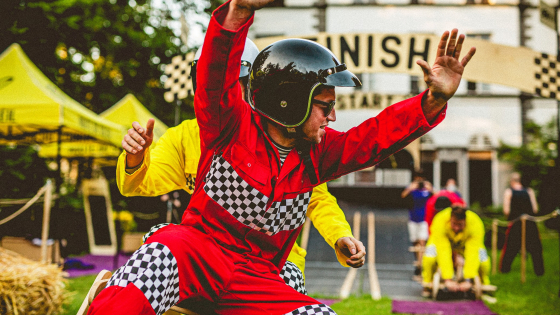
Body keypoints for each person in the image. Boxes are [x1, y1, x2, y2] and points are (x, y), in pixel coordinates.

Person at [88, 0, 475, 313]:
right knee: (155, 257)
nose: (333, 116)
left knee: (318, 313)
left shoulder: (320, 154)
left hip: (259, 279)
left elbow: (374, 137)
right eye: (325, 106)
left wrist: (433, 99)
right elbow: (213, 77)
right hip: (196, 254)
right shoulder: (227, 125)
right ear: (291, 105)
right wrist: (237, 12)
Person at [118, 39, 360, 295]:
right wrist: (135, 158)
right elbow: (141, 183)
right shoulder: (183, 137)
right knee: (156, 250)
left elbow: (319, 200)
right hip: (206, 256)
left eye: (232, 86)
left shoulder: (290, 139)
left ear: (258, 89)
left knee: (288, 282)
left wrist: (339, 235)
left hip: (272, 261)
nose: (221, 93)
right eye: (212, 84)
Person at [421, 205, 491, 297]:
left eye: (460, 225)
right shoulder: (440, 220)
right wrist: (448, 279)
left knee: (484, 261)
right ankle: (427, 285)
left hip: (463, 246)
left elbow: (473, 251)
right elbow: (443, 250)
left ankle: (484, 283)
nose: (456, 228)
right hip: (439, 243)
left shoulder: (475, 223)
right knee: (429, 259)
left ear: (465, 221)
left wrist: (468, 279)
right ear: (450, 219)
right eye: (454, 224)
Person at [499, 172, 544, 276]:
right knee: (535, 248)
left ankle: (505, 270)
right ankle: (539, 271)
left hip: (515, 223)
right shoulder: (529, 191)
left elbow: (506, 211)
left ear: (511, 181)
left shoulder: (509, 192)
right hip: (530, 223)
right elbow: (535, 209)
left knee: (510, 247)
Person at [401, 174, 433, 275]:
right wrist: (411, 188)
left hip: (424, 219)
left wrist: (430, 188)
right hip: (413, 218)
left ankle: (421, 264)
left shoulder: (426, 189)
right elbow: (403, 195)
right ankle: (418, 262)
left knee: (422, 241)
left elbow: (437, 195)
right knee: (415, 242)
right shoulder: (412, 189)